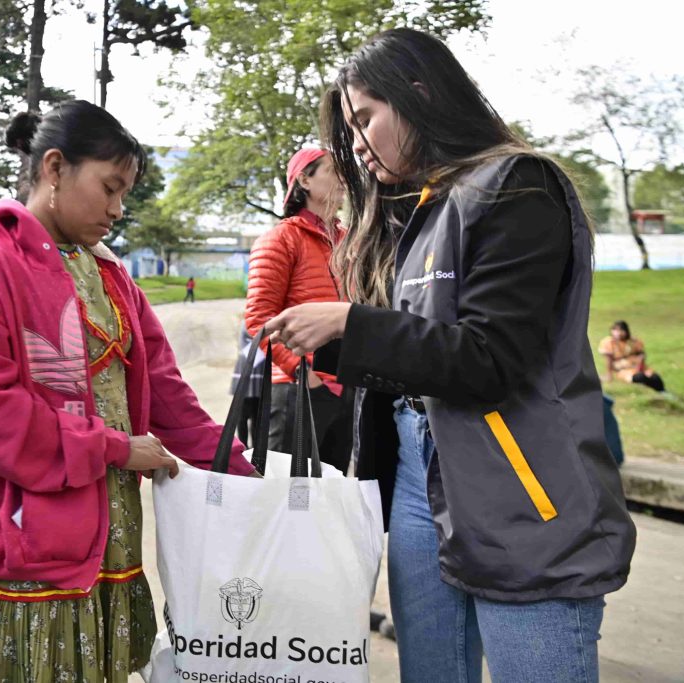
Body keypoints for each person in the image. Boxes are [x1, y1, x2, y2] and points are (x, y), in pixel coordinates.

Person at [265, 28, 635, 682]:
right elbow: (423, 354)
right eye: (347, 129)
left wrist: (352, 321)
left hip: (523, 493)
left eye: (364, 119)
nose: (354, 143)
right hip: (420, 480)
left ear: (418, 93)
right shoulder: (423, 210)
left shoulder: (517, 186)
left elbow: (488, 358)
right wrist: (339, 349)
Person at [0, 99, 255, 683]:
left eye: (125, 193)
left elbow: (166, 395)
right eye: (109, 188)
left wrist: (244, 473)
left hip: (111, 536)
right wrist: (114, 448)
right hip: (28, 539)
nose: (118, 209)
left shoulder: (111, 276)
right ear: (55, 168)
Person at [245, 146, 354, 473]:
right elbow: (258, 319)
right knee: (285, 500)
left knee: (330, 495)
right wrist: (301, 371)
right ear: (304, 180)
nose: (344, 180)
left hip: (345, 388)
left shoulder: (350, 241)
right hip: (298, 389)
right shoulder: (280, 239)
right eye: (333, 171)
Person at [598, 320, 667, 392]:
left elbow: (641, 353)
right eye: (615, 330)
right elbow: (609, 360)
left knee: (655, 378)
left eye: (621, 330)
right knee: (640, 377)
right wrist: (609, 375)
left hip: (639, 367)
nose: (618, 333)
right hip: (623, 370)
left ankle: (662, 392)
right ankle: (650, 392)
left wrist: (640, 361)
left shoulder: (633, 341)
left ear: (626, 331)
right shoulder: (609, 342)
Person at [228, 324, 266, 448]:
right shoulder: (248, 322)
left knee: (256, 417)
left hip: (261, 370)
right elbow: (244, 341)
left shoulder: (266, 321)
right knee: (241, 417)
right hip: (246, 365)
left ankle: (255, 448)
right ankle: (243, 447)